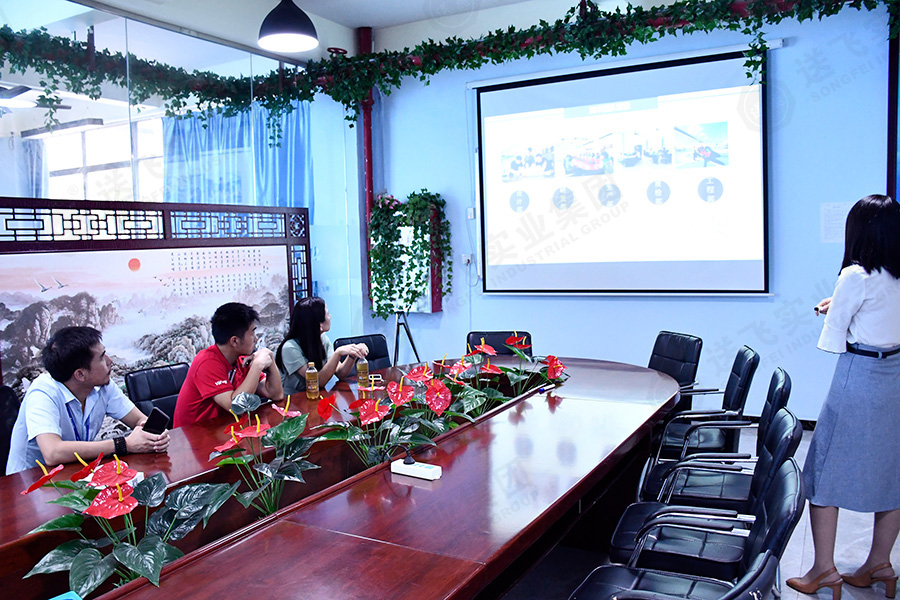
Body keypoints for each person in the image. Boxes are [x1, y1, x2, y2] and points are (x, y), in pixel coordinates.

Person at [787, 195, 900, 600]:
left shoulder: (855, 275)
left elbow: (833, 339)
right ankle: (879, 564)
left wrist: (832, 310)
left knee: (822, 472)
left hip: (860, 375)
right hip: (895, 376)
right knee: (892, 473)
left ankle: (824, 571)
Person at [6, 326, 169, 475]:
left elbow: (139, 420)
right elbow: (53, 452)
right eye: (102, 357)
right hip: (30, 482)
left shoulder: (103, 385)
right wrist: (124, 444)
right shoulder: (42, 393)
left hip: (75, 471)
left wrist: (154, 437)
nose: (110, 361)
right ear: (80, 374)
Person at [173, 302, 283, 427]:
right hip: (195, 434)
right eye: (252, 333)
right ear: (235, 341)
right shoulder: (206, 363)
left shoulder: (240, 359)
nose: (256, 339)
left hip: (225, 428)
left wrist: (270, 358)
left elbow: (276, 394)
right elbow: (237, 408)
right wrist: (257, 366)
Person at [276, 297, 368, 395]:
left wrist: (353, 354)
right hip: (293, 400)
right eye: (327, 314)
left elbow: (340, 373)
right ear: (319, 324)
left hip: (316, 396)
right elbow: (317, 382)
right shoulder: (290, 348)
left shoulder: (322, 338)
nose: (330, 317)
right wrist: (338, 353)